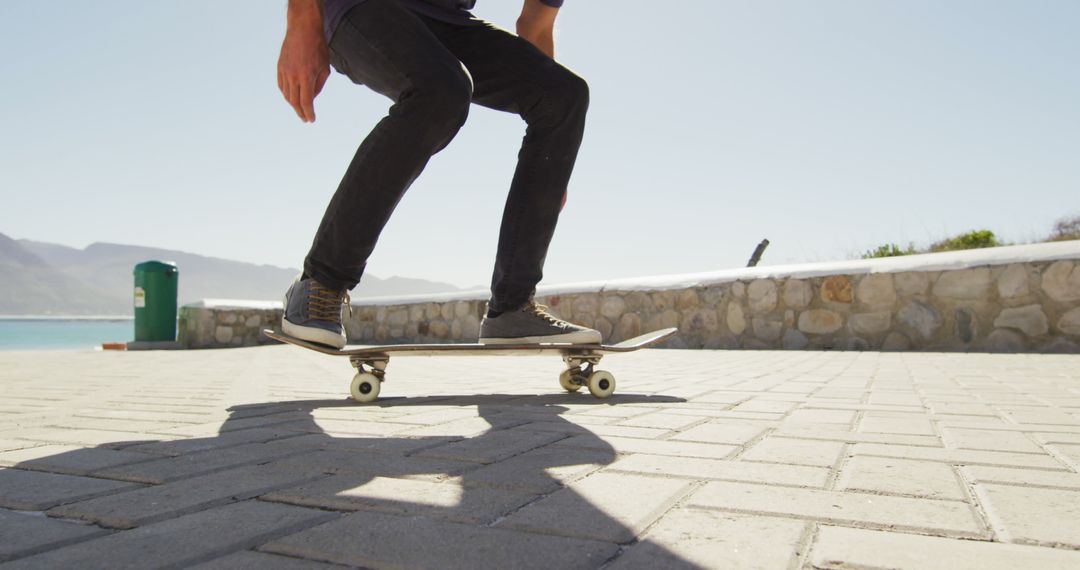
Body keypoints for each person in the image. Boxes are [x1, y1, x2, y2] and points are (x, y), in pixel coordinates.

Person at [276, 0, 601, 349]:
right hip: (361, 9)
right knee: (441, 91)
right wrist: (301, 23)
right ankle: (320, 282)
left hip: (449, 22)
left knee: (563, 95)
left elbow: (536, 25)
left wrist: (549, 166)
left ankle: (512, 308)